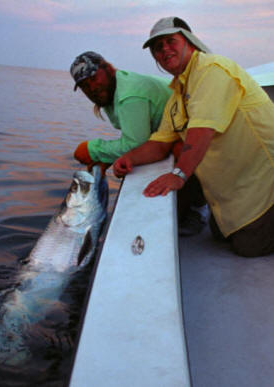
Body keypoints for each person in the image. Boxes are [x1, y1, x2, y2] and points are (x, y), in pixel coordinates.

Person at [113, 16, 274, 257]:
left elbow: (202, 131)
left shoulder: (212, 68)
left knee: (248, 248)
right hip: (235, 191)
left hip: (263, 185)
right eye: (157, 47)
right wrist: (130, 158)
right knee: (221, 237)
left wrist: (179, 174)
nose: (164, 49)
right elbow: (160, 143)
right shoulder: (177, 94)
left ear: (190, 41)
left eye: (170, 41)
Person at [70, 51, 172, 173]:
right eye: (84, 86)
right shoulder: (118, 85)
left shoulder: (129, 95)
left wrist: (93, 150)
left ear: (108, 68)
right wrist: (108, 158)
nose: (92, 88)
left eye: (93, 78)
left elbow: (137, 144)